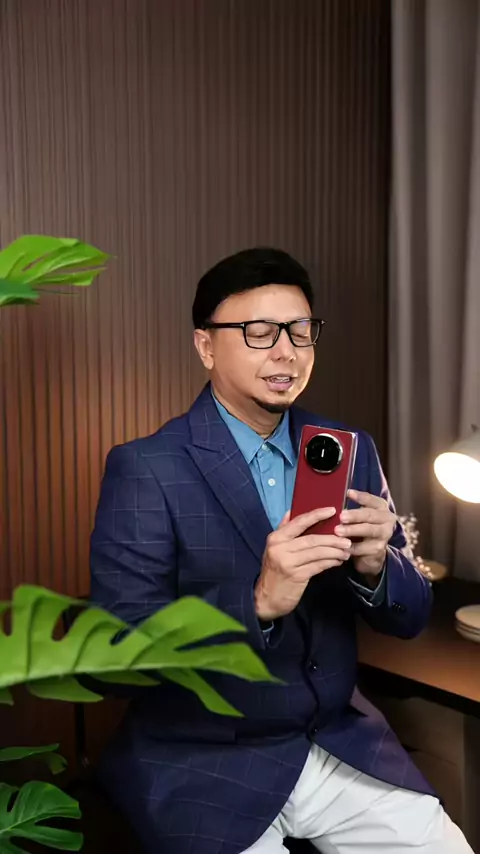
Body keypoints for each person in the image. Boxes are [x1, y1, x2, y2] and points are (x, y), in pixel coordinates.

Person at [90, 248, 472, 854]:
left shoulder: (347, 448)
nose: (287, 352)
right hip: (206, 758)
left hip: (338, 743)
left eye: (300, 331)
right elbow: (112, 656)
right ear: (205, 346)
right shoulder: (148, 467)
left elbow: (410, 616)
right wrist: (258, 603)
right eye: (259, 332)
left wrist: (378, 566)